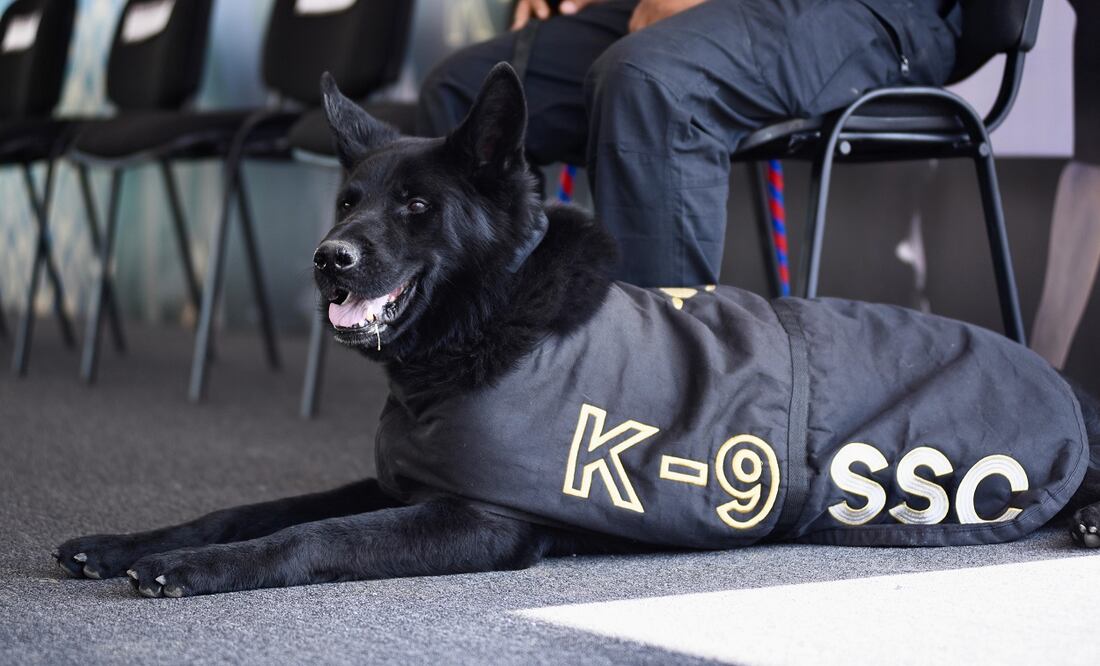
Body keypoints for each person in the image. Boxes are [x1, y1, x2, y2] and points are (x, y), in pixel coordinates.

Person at [418, 0, 962, 288]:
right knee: (465, 91)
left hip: (873, 9)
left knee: (654, 85)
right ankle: (485, 375)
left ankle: (659, 418)